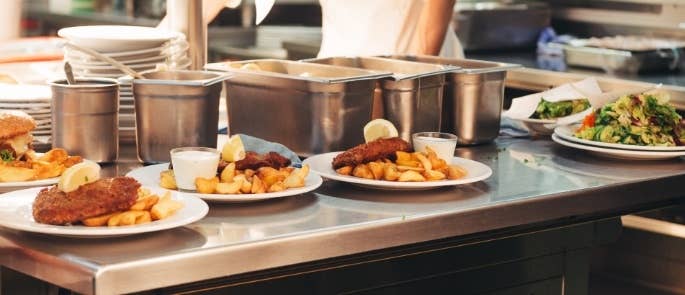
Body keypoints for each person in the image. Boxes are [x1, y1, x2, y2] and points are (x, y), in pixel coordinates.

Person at [159, 0, 463, 58]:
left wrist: (416, 90)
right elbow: (201, 6)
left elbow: (427, 46)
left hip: (420, 85)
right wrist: (153, 45)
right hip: (340, 82)